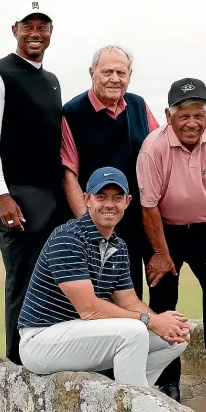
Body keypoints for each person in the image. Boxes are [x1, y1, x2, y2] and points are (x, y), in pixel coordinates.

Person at [17, 167, 191, 386]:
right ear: (87, 199)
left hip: (83, 335)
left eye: (117, 198)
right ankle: (136, 410)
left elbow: (129, 302)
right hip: (41, 340)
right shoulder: (67, 238)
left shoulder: (119, 246)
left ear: (127, 202)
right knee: (134, 331)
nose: (109, 204)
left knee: (177, 337)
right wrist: (152, 320)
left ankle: (131, 393)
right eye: (101, 197)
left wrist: (164, 324)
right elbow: (89, 309)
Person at [136, 78, 206, 404]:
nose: (191, 123)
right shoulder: (152, 147)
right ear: (168, 116)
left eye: (199, 115)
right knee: (163, 300)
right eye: (183, 116)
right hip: (163, 231)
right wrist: (159, 252)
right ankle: (167, 381)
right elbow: (149, 207)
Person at [0, 2, 63, 365]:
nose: (36, 32)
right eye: (28, 25)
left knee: (55, 283)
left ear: (50, 32)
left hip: (53, 198)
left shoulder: (52, 80)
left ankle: (49, 356)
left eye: (43, 26)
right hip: (18, 199)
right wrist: (2, 195)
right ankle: (16, 363)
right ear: (15, 29)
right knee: (22, 283)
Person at [61, 45, 159, 300]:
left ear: (130, 75)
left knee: (146, 289)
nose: (115, 79)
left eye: (121, 72)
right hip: (96, 218)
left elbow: (159, 153)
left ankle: (157, 336)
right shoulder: (72, 112)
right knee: (104, 296)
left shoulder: (138, 105)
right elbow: (69, 172)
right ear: (92, 72)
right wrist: (87, 229)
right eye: (107, 72)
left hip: (138, 216)